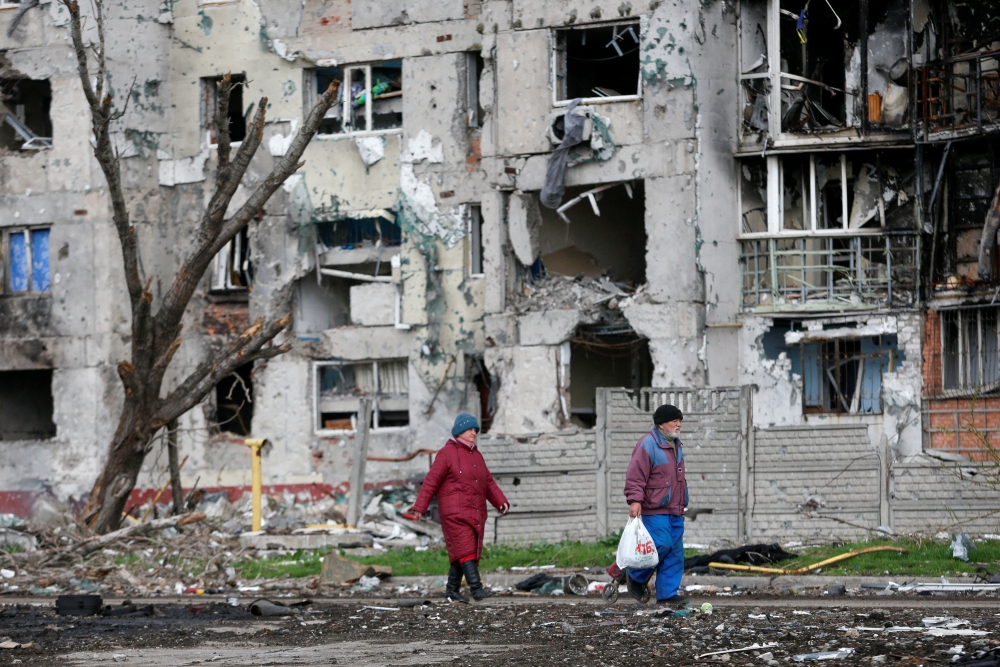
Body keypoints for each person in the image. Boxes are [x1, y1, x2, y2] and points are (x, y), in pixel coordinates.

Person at [410, 413, 510, 602]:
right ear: (459, 431)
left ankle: (452, 590)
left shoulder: (477, 455)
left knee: (462, 552)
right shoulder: (447, 453)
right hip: (454, 512)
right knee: (466, 550)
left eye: (475, 430)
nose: (473, 433)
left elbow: (487, 481)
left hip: (475, 511)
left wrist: (500, 501)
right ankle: (476, 589)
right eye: (469, 429)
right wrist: (419, 507)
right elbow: (431, 481)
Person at [623, 403, 688, 605]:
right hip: (654, 509)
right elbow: (635, 476)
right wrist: (635, 500)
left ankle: (667, 595)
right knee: (661, 545)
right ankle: (634, 575)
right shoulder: (647, 444)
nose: (678, 424)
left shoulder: (676, 445)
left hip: (675, 509)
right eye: (674, 420)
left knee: (675, 553)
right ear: (661, 424)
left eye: (680, 421)